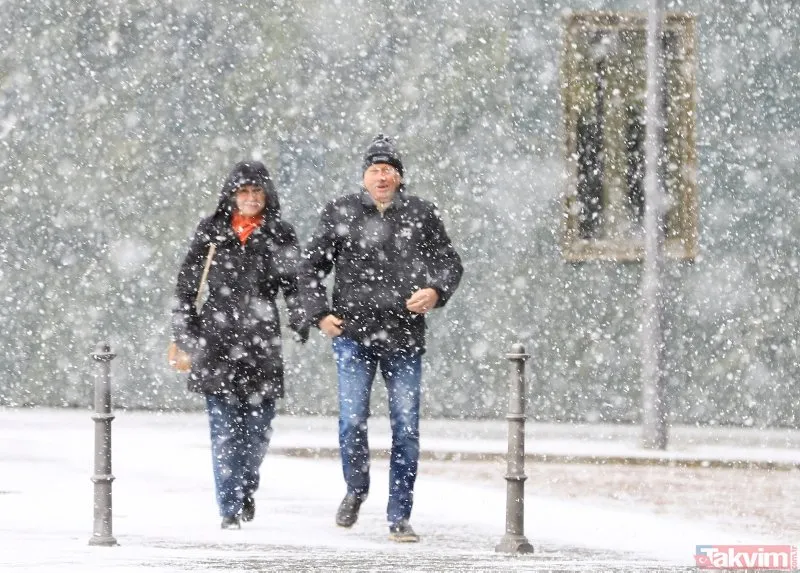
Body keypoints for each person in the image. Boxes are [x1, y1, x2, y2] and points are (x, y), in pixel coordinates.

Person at [298, 134, 463, 542]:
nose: (381, 176)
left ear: (400, 177)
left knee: (405, 427)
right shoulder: (341, 212)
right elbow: (310, 267)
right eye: (374, 170)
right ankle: (356, 488)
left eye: (388, 169)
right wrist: (319, 314)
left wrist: (436, 291)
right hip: (352, 333)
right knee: (352, 421)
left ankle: (399, 515)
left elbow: (449, 261)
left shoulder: (420, 214)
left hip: (404, 336)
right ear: (364, 177)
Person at [171, 160, 308, 530]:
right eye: (243, 192)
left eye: (256, 192)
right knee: (224, 429)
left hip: (262, 342)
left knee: (259, 430)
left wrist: (301, 318)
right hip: (215, 341)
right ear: (232, 195)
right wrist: (185, 332)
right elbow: (186, 286)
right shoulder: (212, 231)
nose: (250, 199)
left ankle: (245, 485)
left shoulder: (280, 234)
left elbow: (295, 284)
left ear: (267, 195)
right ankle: (228, 509)